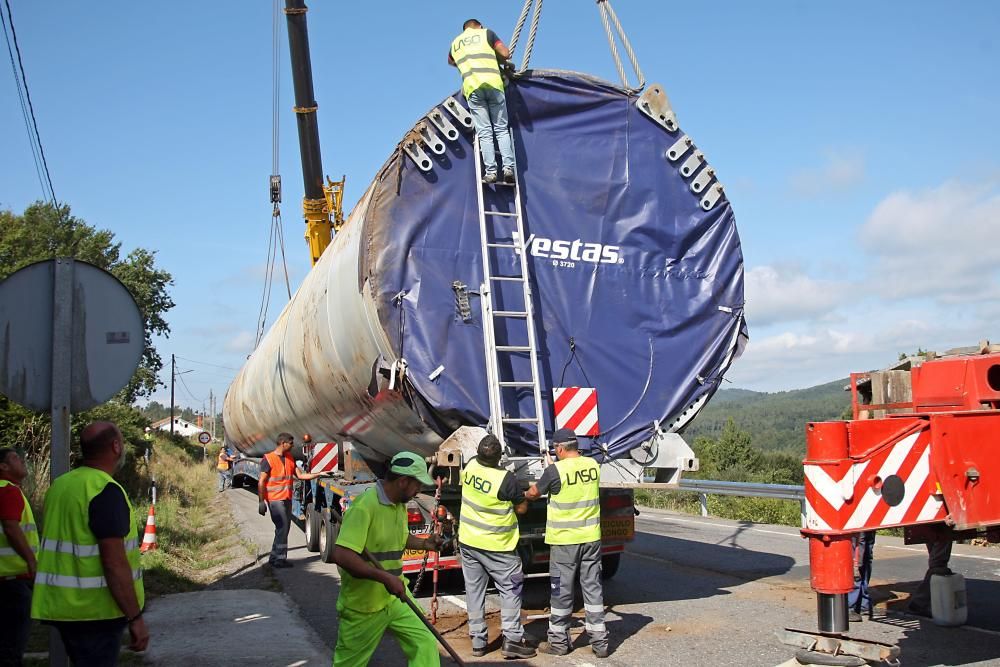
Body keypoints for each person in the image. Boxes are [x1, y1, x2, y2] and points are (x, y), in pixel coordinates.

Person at [31, 421, 150, 665]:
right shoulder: (105, 490)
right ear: (116, 447)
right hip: (96, 611)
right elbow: (114, 562)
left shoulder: (60, 486)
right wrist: (135, 617)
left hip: (62, 607)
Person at [332, 451, 443, 667]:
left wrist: (424, 544)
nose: (419, 490)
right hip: (364, 605)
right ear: (403, 481)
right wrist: (383, 577)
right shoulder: (365, 506)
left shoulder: (399, 505)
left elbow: (398, 539)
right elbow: (342, 554)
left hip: (395, 599)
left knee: (425, 642)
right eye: (417, 484)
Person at [525, 428, 609, 658]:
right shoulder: (592, 466)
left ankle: (559, 643)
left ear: (560, 448)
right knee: (592, 589)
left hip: (564, 541)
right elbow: (574, 477)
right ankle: (600, 643)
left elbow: (534, 493)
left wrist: (524, 494)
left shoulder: (554, 471)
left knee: (561, 591)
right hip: (591, 538)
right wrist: (554, 466)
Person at [458, 435, 535, 659]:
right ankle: (511, 639)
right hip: (498, 545)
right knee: (511, 589)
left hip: (470, 541)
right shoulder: (506, 479)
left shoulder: (471, 466)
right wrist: (525, 498)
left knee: (474, 592)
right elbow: (521, 509)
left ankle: (478, 642)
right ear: (500, 457)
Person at [448, 18, 515, 184]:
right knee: (501, 129)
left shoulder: (455, 43)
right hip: (493, 85)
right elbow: (506, 53)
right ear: (479, 26)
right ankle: (508, 169)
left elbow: (451, 61)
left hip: (473, 88)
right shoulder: (487, 33)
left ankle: (491, 172)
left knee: (484, 132)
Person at [257, 433, 324, 568]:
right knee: (282, 527)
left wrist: (319, 474)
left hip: (286, 498)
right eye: (291, 443)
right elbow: (261, 481)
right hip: (275, 500)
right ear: (283, 443)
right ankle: (279, 560)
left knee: (283, 528)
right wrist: (261, 502)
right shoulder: (268, 459)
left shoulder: (289, 458)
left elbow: (300, 475)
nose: (293, 446)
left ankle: (274, 557)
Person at [0, 448, 38, 666]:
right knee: (11, 649)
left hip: (7, 582)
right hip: (12, 583)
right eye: (15, 458)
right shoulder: (8, 490)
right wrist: (31, 560)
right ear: (3, 467)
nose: (22, 461)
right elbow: (11, 527)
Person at [908, 533, 954, 617]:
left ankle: (929, 602)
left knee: (937, 558)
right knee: (938, 563)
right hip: (941, 526)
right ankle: (919, 602)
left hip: (930, 525)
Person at [847, 530, 875, 622]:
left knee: (866, 559)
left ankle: (863, 603)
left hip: (870, 521)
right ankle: (850, 606)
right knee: (857, 560)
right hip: (857, 522)